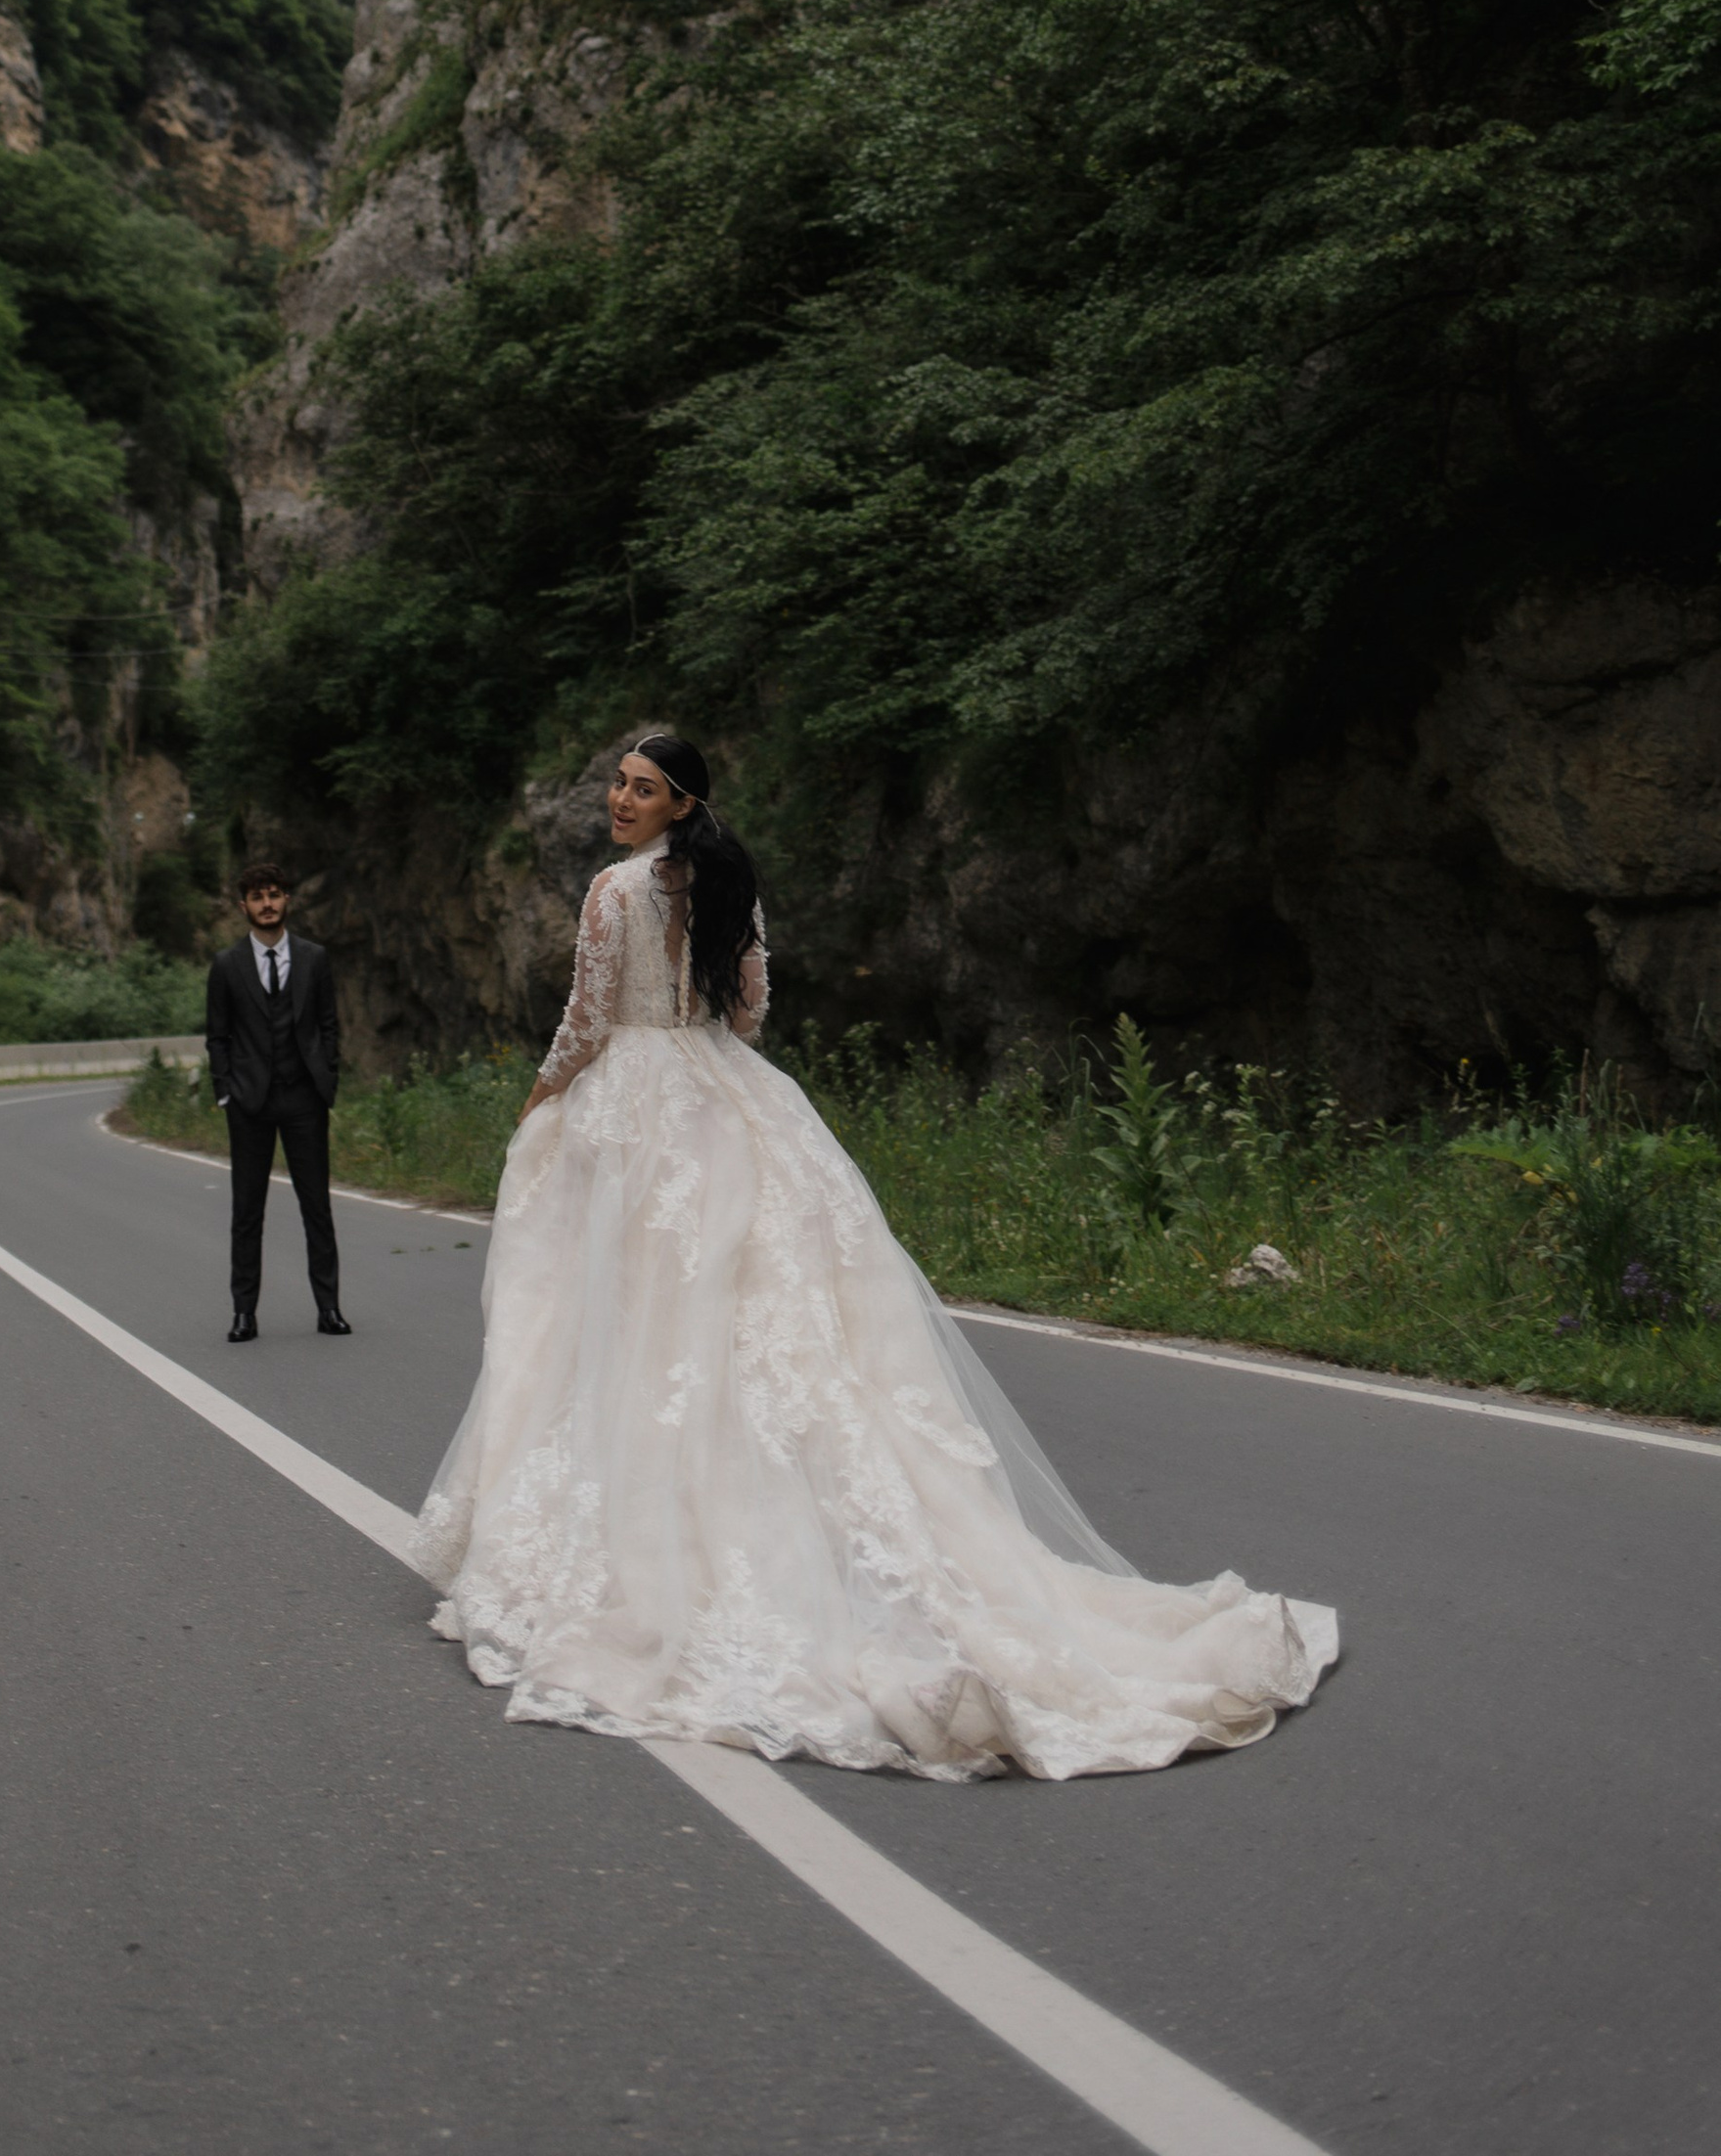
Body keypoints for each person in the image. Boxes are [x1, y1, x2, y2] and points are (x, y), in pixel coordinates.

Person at [412, 733, 1338, 1779]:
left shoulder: (610, 893)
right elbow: (749, 1013)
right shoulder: (728, 885)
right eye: (618, 783)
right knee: (745, 1316)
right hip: (723, 1096)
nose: (620, 799)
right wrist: (695, 1043)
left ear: (679, 802)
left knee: (630, 1318)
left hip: (632, 1101)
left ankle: (655, 1548)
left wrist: (541, 1100)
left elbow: (584, 1020)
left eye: (641, 788)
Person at [205, 861, 347, 1342]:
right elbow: (217, 1035)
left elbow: (329, 1024)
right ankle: (244, 1313)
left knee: (317, 1208)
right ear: (243, 905)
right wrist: (225, 1090)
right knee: (247, 1211)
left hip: (305, 1097)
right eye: (257, 896)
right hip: (249, 1103)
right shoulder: (226, 966)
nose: (267, 904)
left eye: (274, 894)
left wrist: (327, 1077)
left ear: (287, 899)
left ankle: (329, 1308)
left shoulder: (314, 958)